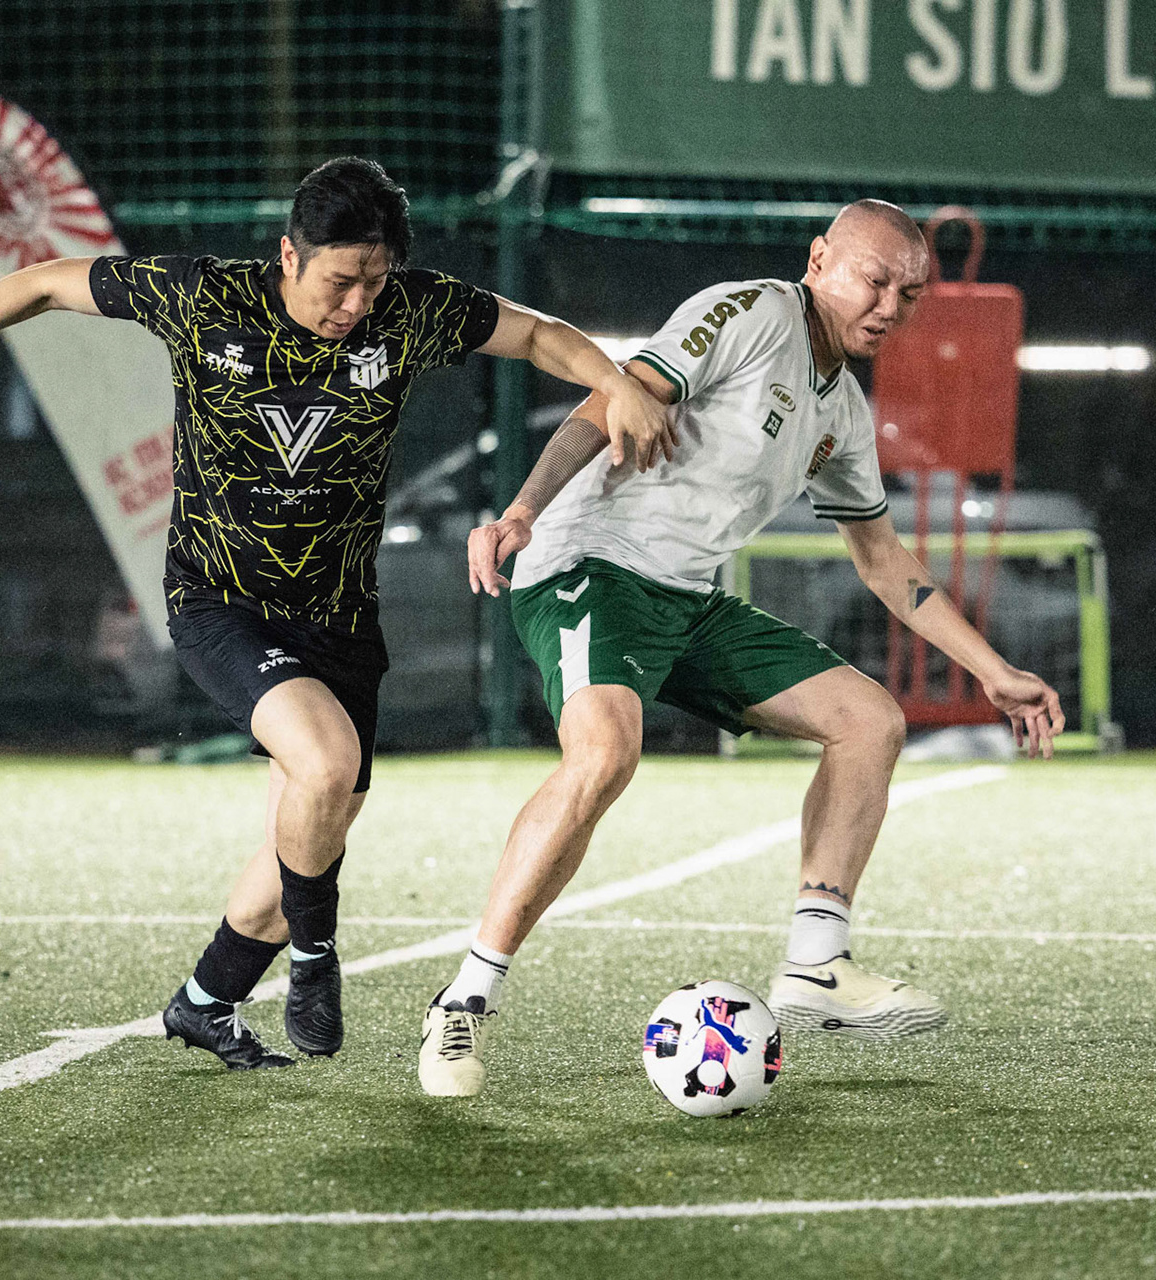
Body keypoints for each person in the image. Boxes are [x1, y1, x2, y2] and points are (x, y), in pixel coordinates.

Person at [0, 157, 672, 1072]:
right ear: (288, 255)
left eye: (374, 281)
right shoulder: (205, 298)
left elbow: (540, 336)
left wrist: (620, 381)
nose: (356, 301)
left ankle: (206, 1002)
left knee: (306, 834)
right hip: (220, 603)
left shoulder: (409, 311)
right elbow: (39, 283)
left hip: (341, 618)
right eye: (339, 280)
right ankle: (315, 958)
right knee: (326, 766)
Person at [419, 200, 1065, 1097]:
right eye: (874, 280)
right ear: (820, 260)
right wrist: (522, 512)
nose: (889, 306)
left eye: (910, 294)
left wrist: (994, 671)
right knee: (604, 754)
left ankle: (816, 964)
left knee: (869, 721)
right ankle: (463, 1001)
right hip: (590, 565)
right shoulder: (755, 313)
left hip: (687, 598)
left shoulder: (843, 411)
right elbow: (607, 400)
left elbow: (883, 560)